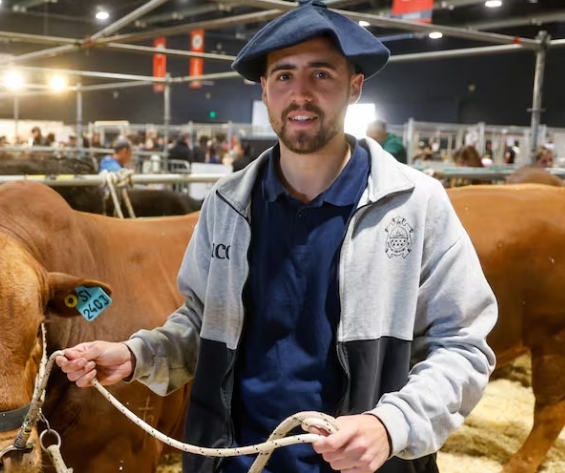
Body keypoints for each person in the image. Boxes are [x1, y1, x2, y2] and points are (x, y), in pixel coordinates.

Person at [57, 2, 497, 473]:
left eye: (321, 75)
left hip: (364, 465)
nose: (300, 94)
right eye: (284, 76)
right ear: (265, 91)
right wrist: (135, 354)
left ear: (354, 87)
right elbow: (201, 324)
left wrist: (391, 426)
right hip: (235, 461)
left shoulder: (414, 204)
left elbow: (463, 347)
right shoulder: (227, 204)